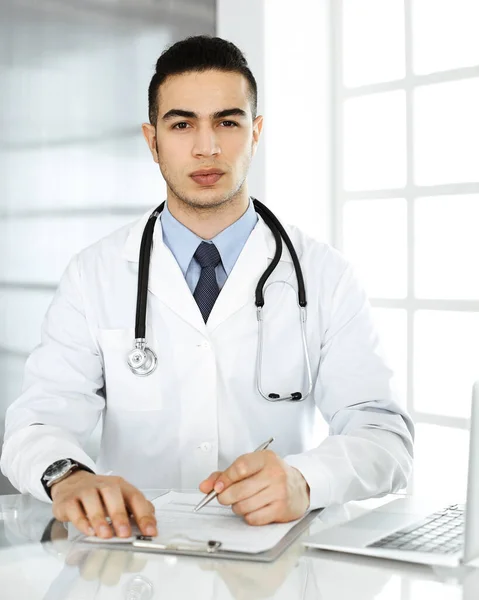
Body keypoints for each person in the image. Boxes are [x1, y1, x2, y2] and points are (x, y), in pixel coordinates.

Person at [1, 35, 414, 541]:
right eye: (181, 124)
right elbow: (36, 423)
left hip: (275, 563)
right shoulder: (95, 274)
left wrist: (307, 479)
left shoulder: (325, 275)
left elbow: (385, 436)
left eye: (227, 121)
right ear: (152, 141)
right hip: (130, 559)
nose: (207, 147)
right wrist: (68, 476)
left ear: (255, 132)